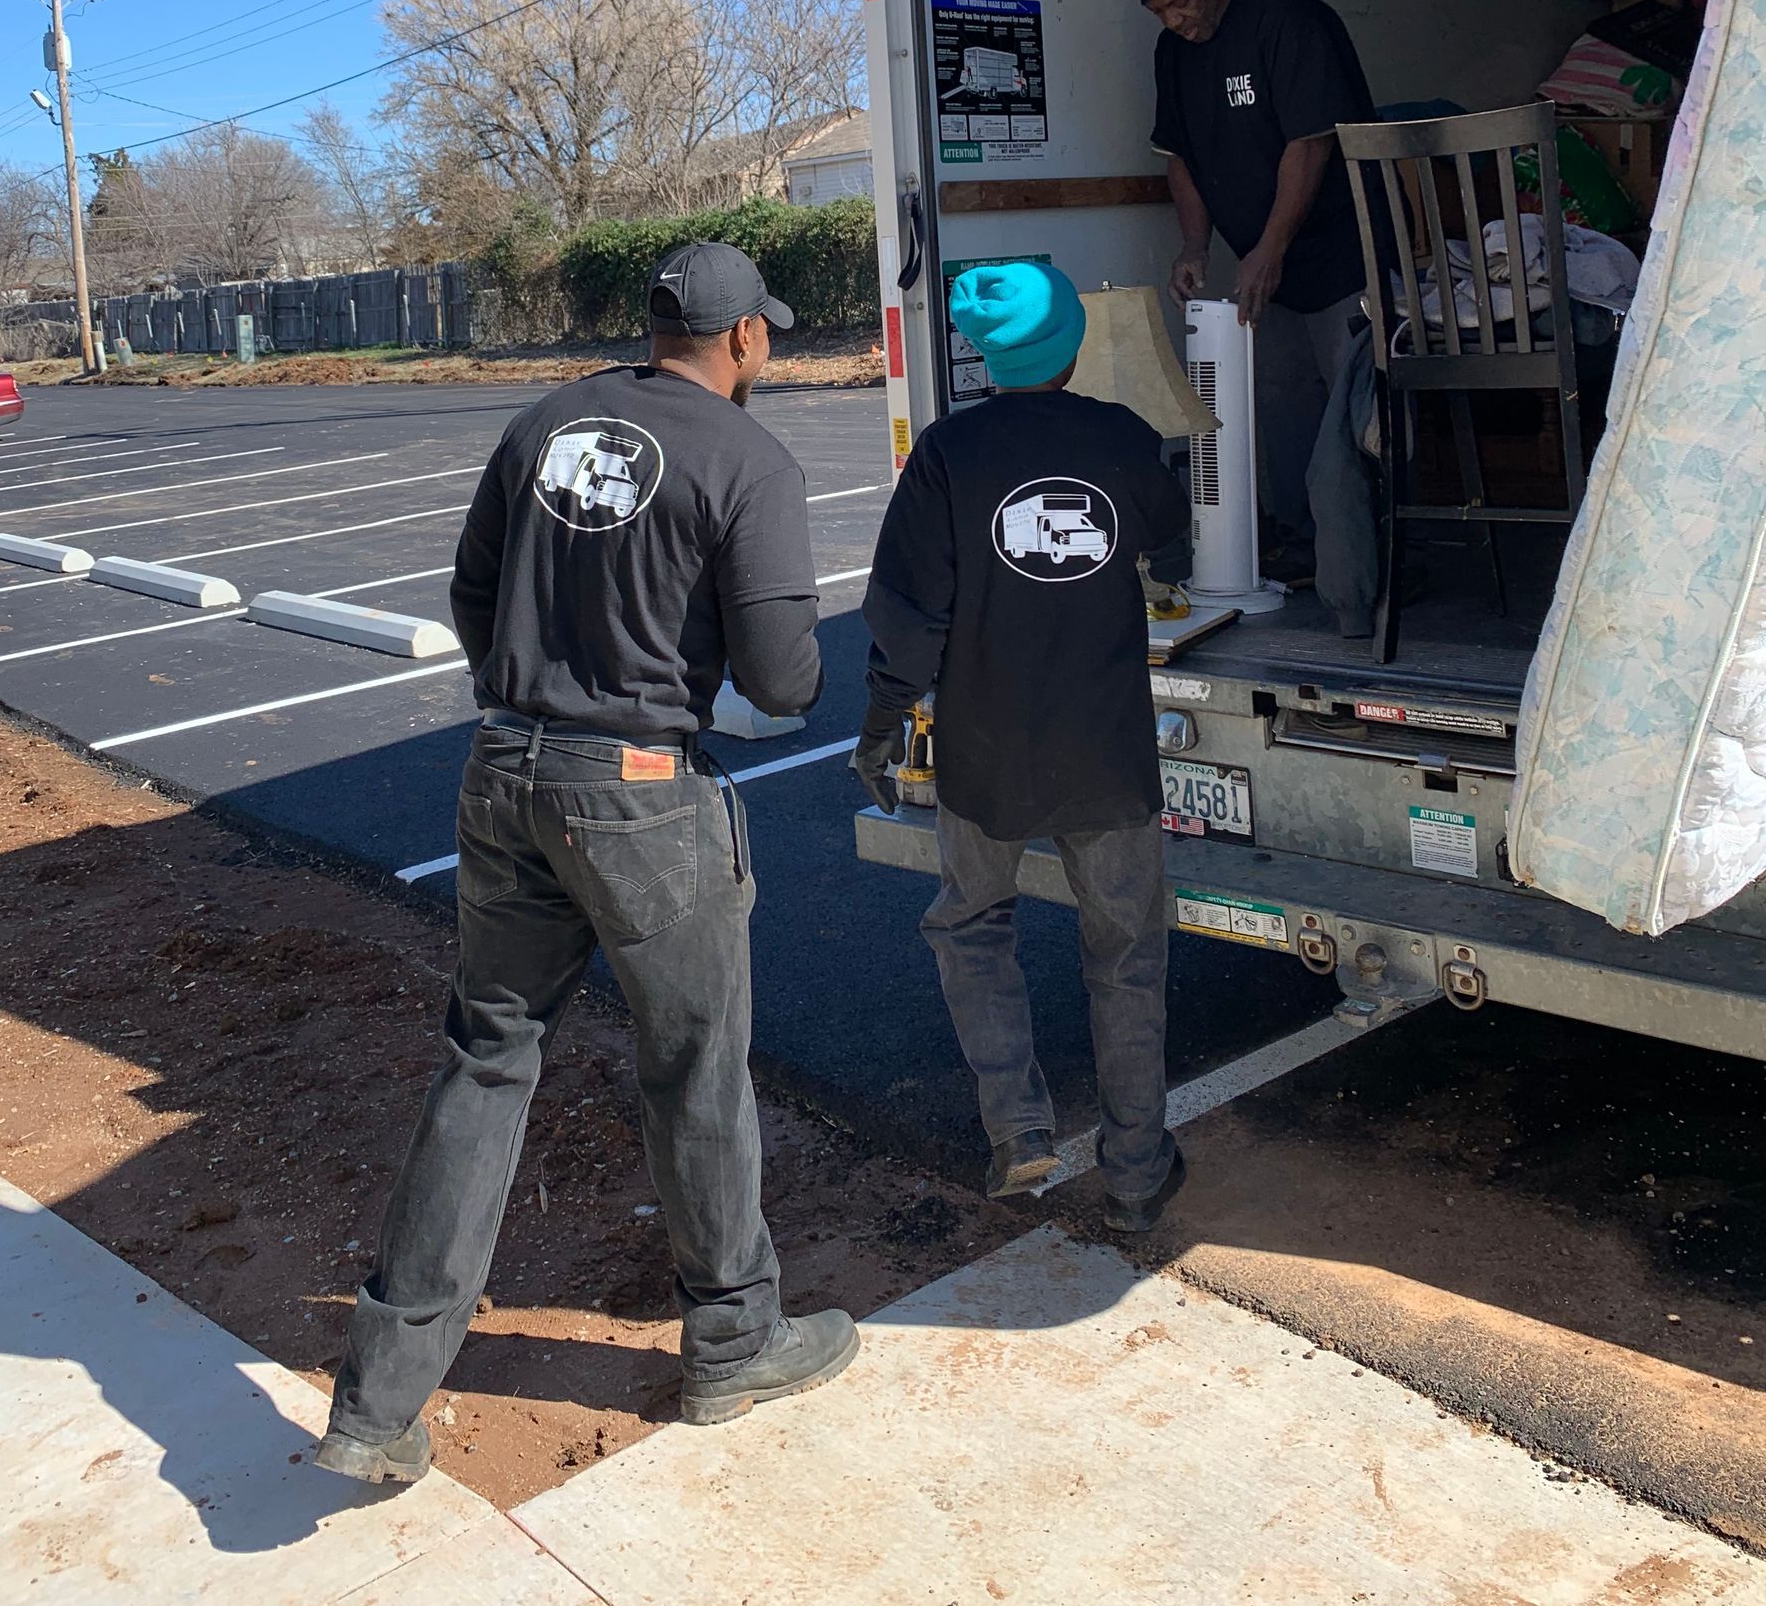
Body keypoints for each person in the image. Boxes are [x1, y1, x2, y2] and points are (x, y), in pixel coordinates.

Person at [315, 240, 857, 1480]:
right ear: (747, 340)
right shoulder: (746, 458)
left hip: (502, 774)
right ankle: (732, 1337)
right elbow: (783, 680)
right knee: (695, 1066)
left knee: (487, 1058)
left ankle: (378, 1404)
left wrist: (535, 692)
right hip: (641, 798)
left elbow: (471, 589)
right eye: (765, 332)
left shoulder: (547, 420)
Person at [852, 261, 1192, 1227]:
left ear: (983, 355)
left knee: (971, 924)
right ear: (1073, 345)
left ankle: (1021, 1131)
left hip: (985, 753)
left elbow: (910, 620)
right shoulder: (1123, 440)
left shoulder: (949, 454)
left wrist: (880, 728)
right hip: (1109, 752)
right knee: (1126, 953)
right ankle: (1135, 1171)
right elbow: (1169, 535)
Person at [1136, 0, 1375, 580]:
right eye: (1160, 12)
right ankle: (1305, 547)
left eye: (1181, 2)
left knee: (1355, 411)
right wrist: (1194, 247)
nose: (1176, 20)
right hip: (1262, 270)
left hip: (1340, 256)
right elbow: (1180, 154)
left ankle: (1369, 558)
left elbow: (1310, 143)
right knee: (1281, 403)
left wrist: (1269, 248)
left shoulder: (1287, 20)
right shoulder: (1173, 55)